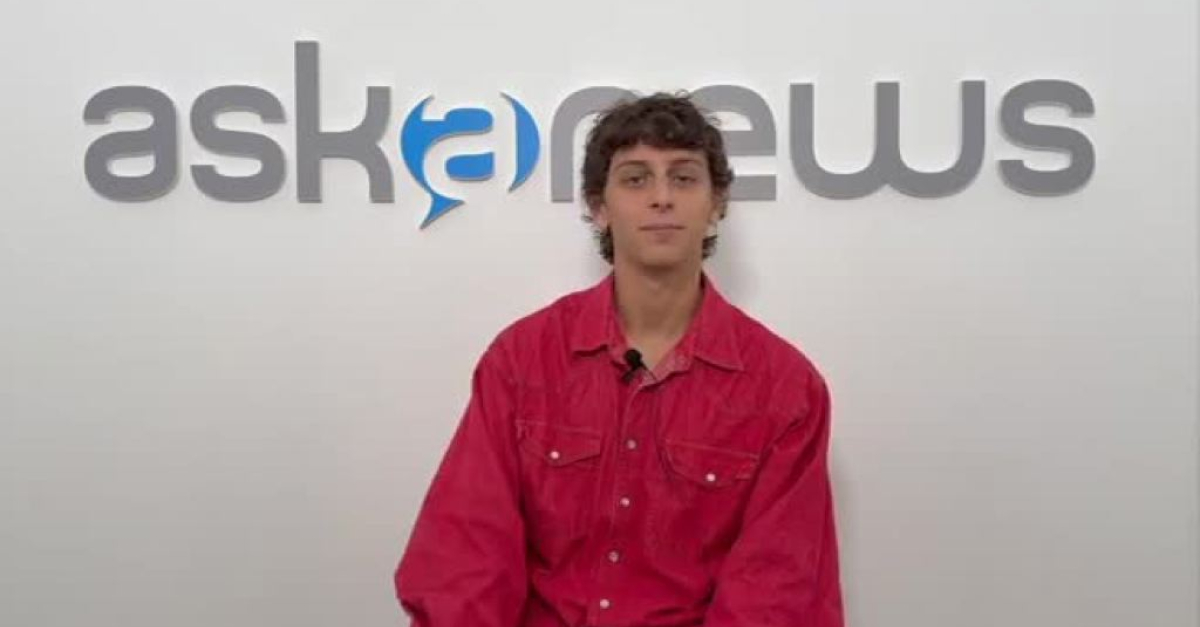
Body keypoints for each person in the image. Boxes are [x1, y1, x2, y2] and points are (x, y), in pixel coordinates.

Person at [394, 92, 844, 627]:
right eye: (636, 179)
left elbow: (776, 593)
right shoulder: (521, 361)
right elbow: (464, 561)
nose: (662, 198)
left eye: (684, 178)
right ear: (599, 206)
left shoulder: (786, 389)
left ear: (717, 203)